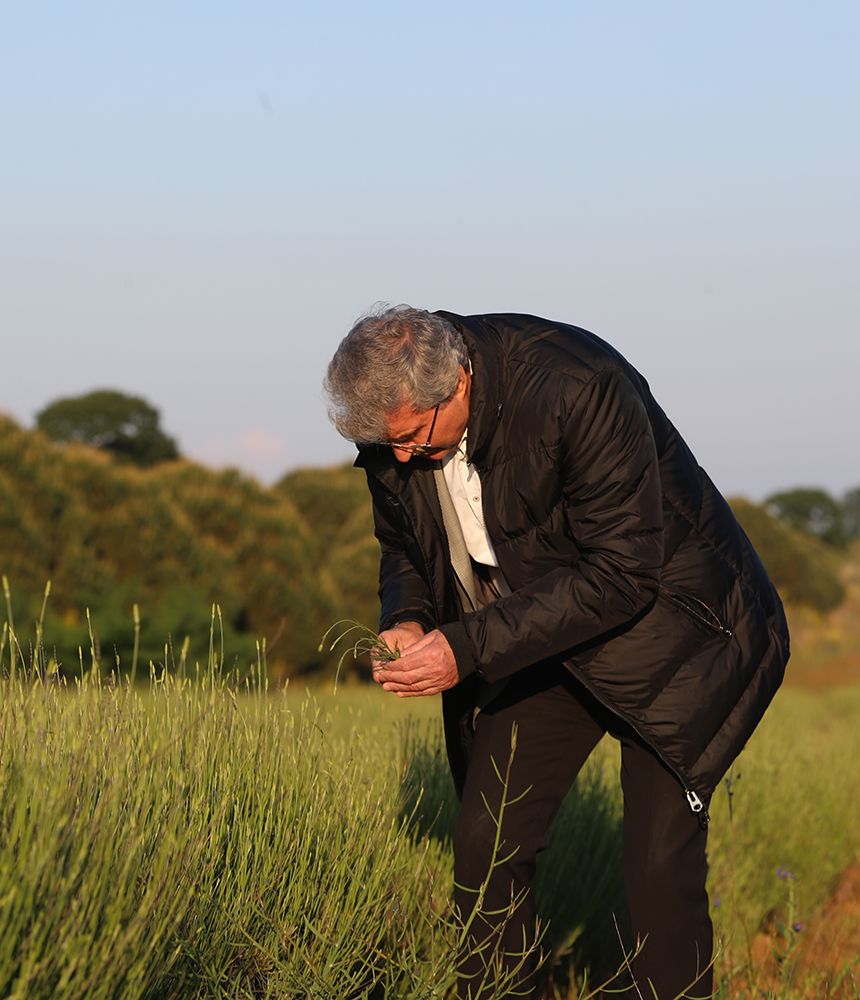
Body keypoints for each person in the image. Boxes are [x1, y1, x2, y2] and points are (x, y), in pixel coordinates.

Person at [324, 306, 789, 999]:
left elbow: (625, 572)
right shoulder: (396, 425)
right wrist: (411, 617)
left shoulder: (579, 385)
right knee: (486, 842)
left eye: (413, 443)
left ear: (458, 384)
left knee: (660, 866)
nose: (399, 461)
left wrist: (469, 643)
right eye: (382, 445)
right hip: (539, 633)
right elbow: (404, 546)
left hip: (675, 633)